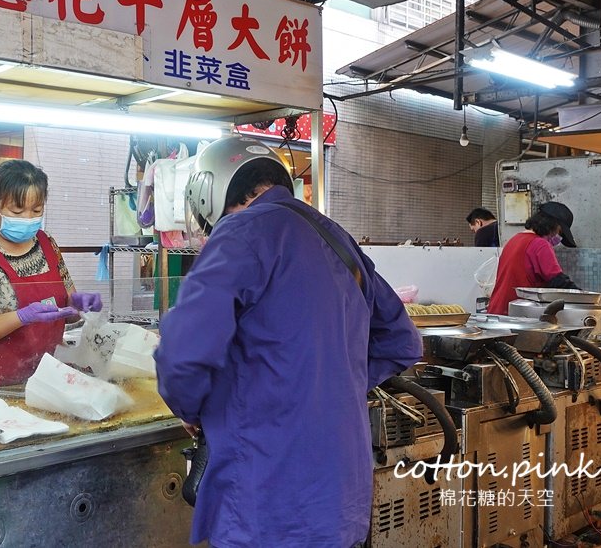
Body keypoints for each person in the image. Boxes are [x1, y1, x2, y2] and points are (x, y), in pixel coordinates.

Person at [153, 136, 423, 548]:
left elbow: (182, 353)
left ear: (211, 192)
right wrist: (329, 383)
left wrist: (191, 407)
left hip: (268, 498)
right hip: (341, 499)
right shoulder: (337, 239)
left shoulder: (241, 232)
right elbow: (402, 342)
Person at [0, 160, 102, 385]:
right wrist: (20, 317)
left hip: (38, 380)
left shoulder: (46, 243)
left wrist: (79, 304)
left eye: (36, 210)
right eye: (17, 210)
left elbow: (66, 311)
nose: (27, 218)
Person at [487, 201, 579, 315]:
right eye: (559, 232)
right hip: (517, 315)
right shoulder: (540, 244)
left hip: (496, 311)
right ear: (552, 225)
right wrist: (589, 299)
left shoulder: (514, 240)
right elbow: (558, 281)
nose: (558, 237)